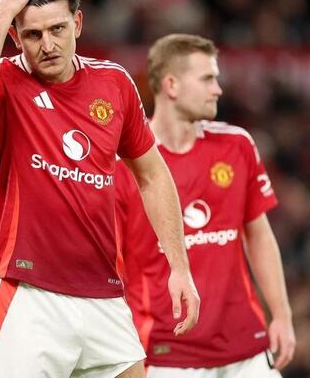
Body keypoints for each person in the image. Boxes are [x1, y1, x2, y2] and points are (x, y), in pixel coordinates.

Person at [0, 0, 199, 377]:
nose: (48, 45)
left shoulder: (114, 83)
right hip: (29, 295)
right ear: (15, 37)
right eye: (32, 34)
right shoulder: (5, 83)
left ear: (78, 24)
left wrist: (179, 265)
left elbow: (152, 175)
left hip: (104, 295)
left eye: (58, 29)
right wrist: (5, 7)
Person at [115, 34, 296, 377]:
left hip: (245, 346)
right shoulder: (125, 167)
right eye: (207, 79)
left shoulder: (237, 145)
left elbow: (258, 236)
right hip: (166, 353)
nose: (218, 89)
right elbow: (113, 266)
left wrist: (282, 314)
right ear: (171, 85)